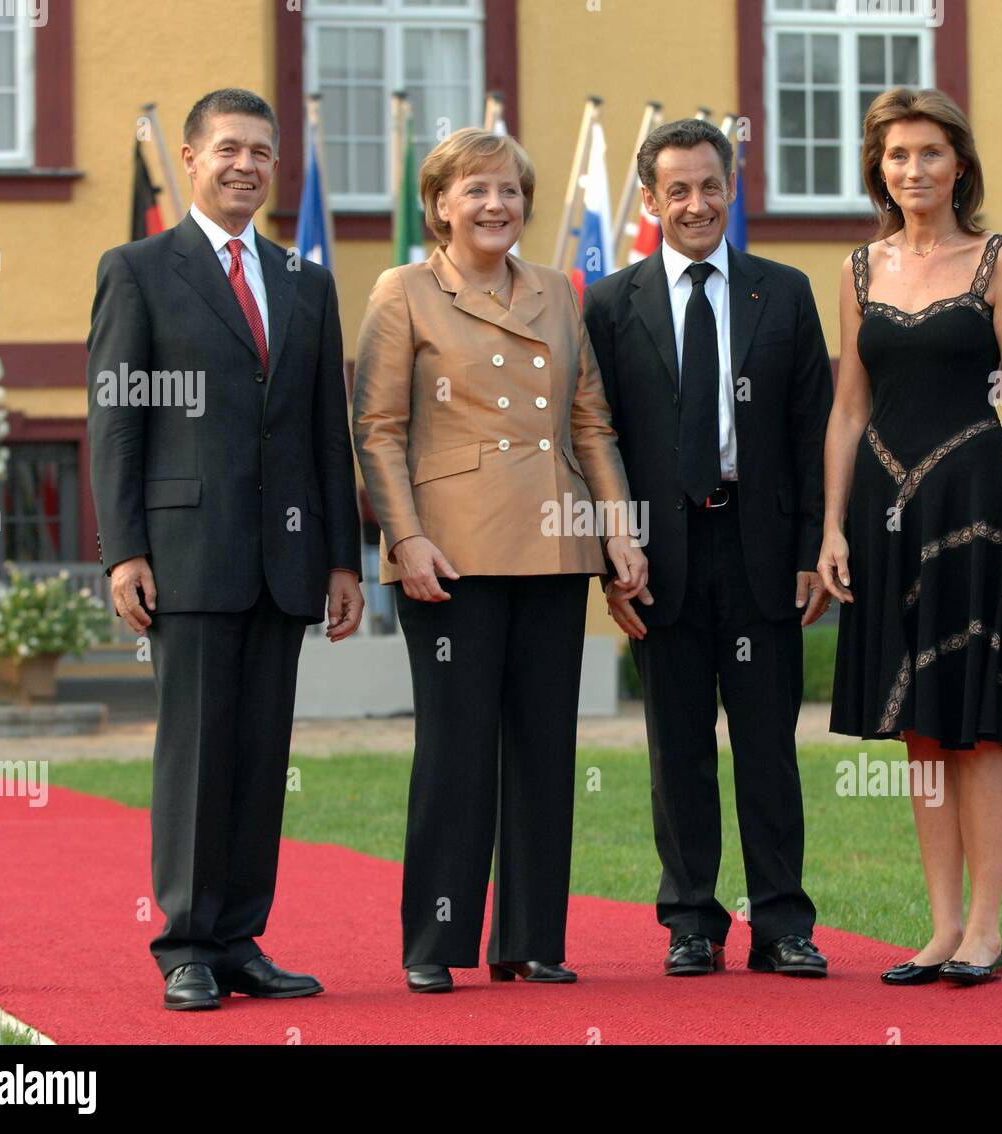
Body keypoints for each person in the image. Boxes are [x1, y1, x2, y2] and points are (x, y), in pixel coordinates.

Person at [87, 88, 364, 1010]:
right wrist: (123, 550)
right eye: (228, 149)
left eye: (261, 152)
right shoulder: (138, 269)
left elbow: (330, 430)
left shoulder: (306, 280)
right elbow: (116, 421)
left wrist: (339, 561)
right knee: (197, 755)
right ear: (194, 159)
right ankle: (186, 945)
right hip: (187, 554)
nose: (245, 164)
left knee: (257, 754)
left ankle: (241, 937)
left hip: (286, 562)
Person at [352, 127, 646, 994]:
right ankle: (435, 945)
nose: (495, 205)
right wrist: (403, 539)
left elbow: (590, 422)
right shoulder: (403, 289)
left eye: (510, 190)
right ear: (440, 205)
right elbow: (377, 427)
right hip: (449, 550)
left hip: (554, 542)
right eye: (476, 190)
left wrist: (620, 531)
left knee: (545, 747)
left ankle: (531, 940)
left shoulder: (558, 291)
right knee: (456, 748)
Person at [583, 119, 835, 978]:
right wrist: (606, 561)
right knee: (676, 748)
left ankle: (782, 923)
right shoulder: (611, 304)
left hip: (761, 550)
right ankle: (691, 919)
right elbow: (594, 440)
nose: (697, 203)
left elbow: (813, 432)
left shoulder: (784, 292)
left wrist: (813, 548)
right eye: (677, 190)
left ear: (733, 189)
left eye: (710, 186)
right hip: (659, 556)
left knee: (769, 746)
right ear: (650, 201)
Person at [819, 87, 1002, 986]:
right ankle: (942, 928)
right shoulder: (856, 271)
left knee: (976, 726)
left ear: (960, 162)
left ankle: (988, 932)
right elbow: (848, 410)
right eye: (895, 155)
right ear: (878, 169)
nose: (911, 169)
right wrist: (830, 527)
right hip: (882, 505)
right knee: (919, 729)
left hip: (973, 500)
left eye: (928, 153)